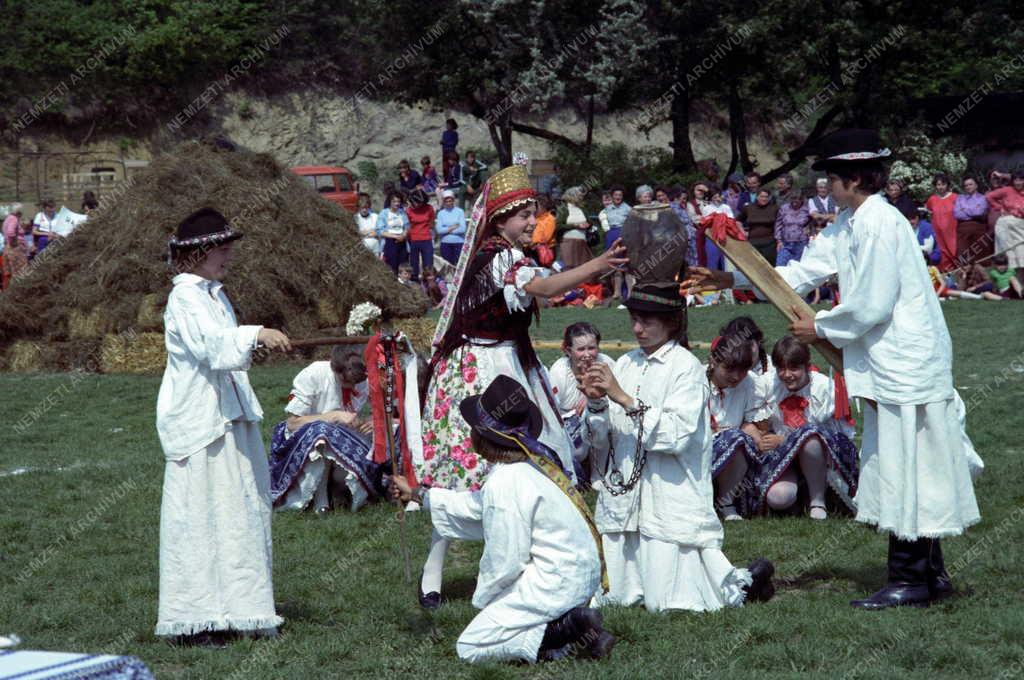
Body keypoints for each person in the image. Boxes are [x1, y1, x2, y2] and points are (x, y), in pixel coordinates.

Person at [684, 128, 981, 609]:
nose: (827, 185)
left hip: (906, 360)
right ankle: (928, 573)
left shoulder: (881, 223)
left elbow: (871, 304)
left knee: (909, 463)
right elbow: (801, 272)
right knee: (909, 462)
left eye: (832, 177)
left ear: (853, 179)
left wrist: (817, 326)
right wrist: (730, 276)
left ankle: (912, 577)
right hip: (890, 361)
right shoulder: (851, 221)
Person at [416, 162, 628, 608]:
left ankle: (520, 562)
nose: (532, 221)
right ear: (499, 220)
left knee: (507, 465)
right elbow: (543, 287)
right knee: (482, 469)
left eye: (533, 213)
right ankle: (459, 572)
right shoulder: (501, 257)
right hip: (483, 369)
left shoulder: (502, 253)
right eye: (522, 215)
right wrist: (598, 264)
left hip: (501, 362)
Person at [391, 376, 615, 663]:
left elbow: (506, 559)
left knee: (471, 645)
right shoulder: (529, 465)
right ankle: (573, 627)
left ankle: (568, 629)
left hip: (557, 582)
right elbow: (476, 507)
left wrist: (487, 602)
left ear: (483, 434)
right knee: (503, 622)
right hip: (579, 576)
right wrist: (419, 495)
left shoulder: (505, 482)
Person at [583, 283, 776, 611]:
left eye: (647, 321)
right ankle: (738, 582)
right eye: (634, 319)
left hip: (669, 487)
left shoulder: (686, 368)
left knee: (668, 601)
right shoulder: (626, 364)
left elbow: (675, 436)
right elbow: (602, 439)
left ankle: (742, 585)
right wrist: (597, 405)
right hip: (627, 492)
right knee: (614, 596)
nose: (637, 328)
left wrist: (624, 399)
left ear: (671, 322)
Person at [155, 208, 291, 646]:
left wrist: (254, 346)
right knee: (200, 516)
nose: (229, 258)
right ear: (201, 253)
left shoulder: (214, 294)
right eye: (224, 251)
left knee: (238, 514)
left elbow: (225, 350)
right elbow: (211, 346)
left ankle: (242, 610)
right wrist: (256, 335)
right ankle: (197, 618)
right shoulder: (186, 296)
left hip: (229, 413)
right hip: (201, 419)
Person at [754, 336, 859, 519]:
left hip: (820, 456)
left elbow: (839, 435)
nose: (787, 375)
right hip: (783, 456)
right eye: (781, 368)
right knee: (779, 498)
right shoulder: (767, 384)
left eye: (794, 368)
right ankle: (800, 495)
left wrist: (787, 440)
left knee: (810, 438)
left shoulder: (824, 388)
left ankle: (818, 500)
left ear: (807, 366)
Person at [269, 348, 379, 513]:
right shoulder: (313, 374)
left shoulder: (361, 379)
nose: (352, 386)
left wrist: (371, 421)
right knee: (322, 432)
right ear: (335, 369)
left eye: (355, 383)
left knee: (374, 438)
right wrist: (334, 415)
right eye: (346, 381)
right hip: (303, 441)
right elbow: (292, 423)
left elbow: (381, 408)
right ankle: (322, 503)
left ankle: (342, 492)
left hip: (342, 438)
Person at [705, 335, 772, 521]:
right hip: (698, 447)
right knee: (735, 438)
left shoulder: (750, 383)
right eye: (728, 369)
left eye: (742, 370)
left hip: (735, 446)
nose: (736, 376)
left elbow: (750, 422)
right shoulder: (695, 381)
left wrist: (758, 438)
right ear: (713, 361)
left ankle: (726, 501)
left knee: (744, 441)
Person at [548, 322, 615, 461]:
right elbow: (550, 414)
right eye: (581, 349)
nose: (587, 355)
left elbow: (619, 398)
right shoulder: (559, 372)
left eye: (591, 348)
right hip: (568, 432)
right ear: (568, 351)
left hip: (603, 428)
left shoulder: (606, 364)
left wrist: (592, 399)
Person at [985, 173, 1024, 282]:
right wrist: (999, 207)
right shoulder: (1007, 190)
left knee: (1021, 253)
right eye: (1016, 180)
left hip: (1020, 227)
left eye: (1021, 180)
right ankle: (1006, 284)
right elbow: (989, 196)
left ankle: (1020, 284)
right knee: (1008, 253)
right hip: (1004, 226)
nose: (1018, 183)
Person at [601, 186, 631, 299]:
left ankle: (629, 292)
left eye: (620, 195)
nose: (617, 197)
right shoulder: (607, 209)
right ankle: (617, 292)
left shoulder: (628, 208)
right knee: (615, 264)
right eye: (616, 195)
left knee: (627, 264)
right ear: (612, 196)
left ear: (622, 197)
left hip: (625, 234)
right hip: (611, 235)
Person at [953, 176, 990, 266]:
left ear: (976, 186)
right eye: (966, 185)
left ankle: (983, 279)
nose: (968, 187)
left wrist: (964, 209)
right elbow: (957, 214)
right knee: (964, 256)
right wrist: (973, 209)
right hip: (963, 230)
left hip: (978, 228)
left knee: (981, 257)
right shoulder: (960, 198)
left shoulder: (982, 198)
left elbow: (979, 212)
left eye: (970, 184)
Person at [925, 173, 958, 271]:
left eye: (943, 184)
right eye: (938, 184)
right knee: (943, 254)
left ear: (947, 185)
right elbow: (930, 213)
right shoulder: (932, 199)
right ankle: (947, 277)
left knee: (955, 251)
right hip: (938, 233)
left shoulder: (955, 197)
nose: (940, 187)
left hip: (952, 231)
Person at [739, 188, 780, 264]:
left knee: (769, 266)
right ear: (757, 197)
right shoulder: (748, 207)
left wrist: (779, 240)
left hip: (769, 243)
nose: (764, 199)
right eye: (762, 196)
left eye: (766, 197)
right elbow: (738, 221)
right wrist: (743, 232)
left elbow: (780, 223)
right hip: (752, 242)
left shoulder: (774, 208)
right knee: (753, 265)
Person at [557, 186, 593, 269]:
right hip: (568, 242)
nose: (581, 197)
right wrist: (575, 226)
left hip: (582, 242)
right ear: (572, 196)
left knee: (583, 267)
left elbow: (590, 222)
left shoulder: (582, 209)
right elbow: (558, 225)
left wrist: (588, 225)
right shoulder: (564, 209)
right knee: (568, 267)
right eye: (579, 195)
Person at [376, 191, 410, 273]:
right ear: (390, 202)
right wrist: (395, 236)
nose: (397, 204)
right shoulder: (384, 213)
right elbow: (380, 231)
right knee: (392, 266)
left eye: (398, 201)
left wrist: (404, 235)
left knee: (403, 266)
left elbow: (407, 226)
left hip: (402, 241)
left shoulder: (402, 212)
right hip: (390, 241)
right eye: (394, 201)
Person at [774, 190, 811, 265]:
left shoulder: (807, 209)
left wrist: (809, 230)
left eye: (797, 199)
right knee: (780, 265)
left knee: (796, 267)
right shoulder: (784, 208)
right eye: (793, 198)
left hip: (801, 243)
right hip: (785, 243)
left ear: (801, 199)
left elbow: (812, 222)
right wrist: (778, 240)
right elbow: (778, 224)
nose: (795, 201)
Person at [406, 189, 436, 281]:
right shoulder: (408, 210)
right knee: (414, 265)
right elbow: (408, 225)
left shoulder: (429, 208)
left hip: (426, 239)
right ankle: (415, 285)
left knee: (428, 264)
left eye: (417, 203)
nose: (415, 205)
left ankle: (429, 286)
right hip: (413, 240)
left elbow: (431, 223)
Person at [436, 189, 467, 265]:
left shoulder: (460, 212)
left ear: (453, 201)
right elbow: (439, 230)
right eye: (446, 201)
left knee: (459, 265)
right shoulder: (440, 213)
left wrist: (446, 230)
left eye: (450, 201)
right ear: (444, 202)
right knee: (447, 266)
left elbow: (463, 229)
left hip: (459, 243)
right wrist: (453, 227)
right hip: (445, 243)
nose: (448, 203)